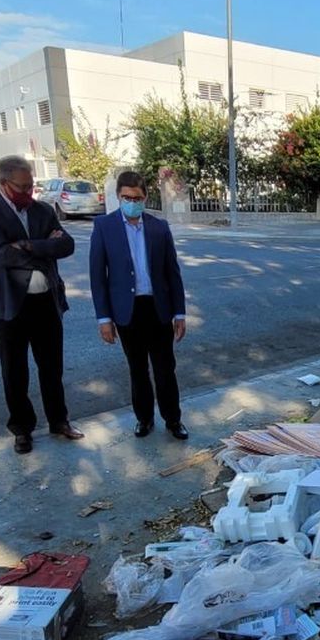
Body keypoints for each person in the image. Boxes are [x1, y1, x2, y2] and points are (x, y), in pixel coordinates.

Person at [0, 155, 84, 454]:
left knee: (52, 368)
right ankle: (22, 430)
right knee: (14, 371)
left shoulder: (43, 210)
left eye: (31, 185)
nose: (28, 192)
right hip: (9, 306)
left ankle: (59, 421)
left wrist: (29, 245)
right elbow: (0, 255)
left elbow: (67, 245)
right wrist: (46, 247)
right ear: (3, 183)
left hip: (46, 302)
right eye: (22, 187)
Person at [89, 170, 189, 439]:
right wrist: (104, 319)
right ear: (118, 196)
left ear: (145, 197)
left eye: (137, 197)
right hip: (127, 312)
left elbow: (172, 273)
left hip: (158, 309)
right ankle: (144, 419)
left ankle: (173, 420)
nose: (131, 202)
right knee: (138, 370)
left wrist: (179, 313)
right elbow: (97, 277)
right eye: (126, 197)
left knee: (165, 369)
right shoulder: (104, 227)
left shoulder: (159, 227)